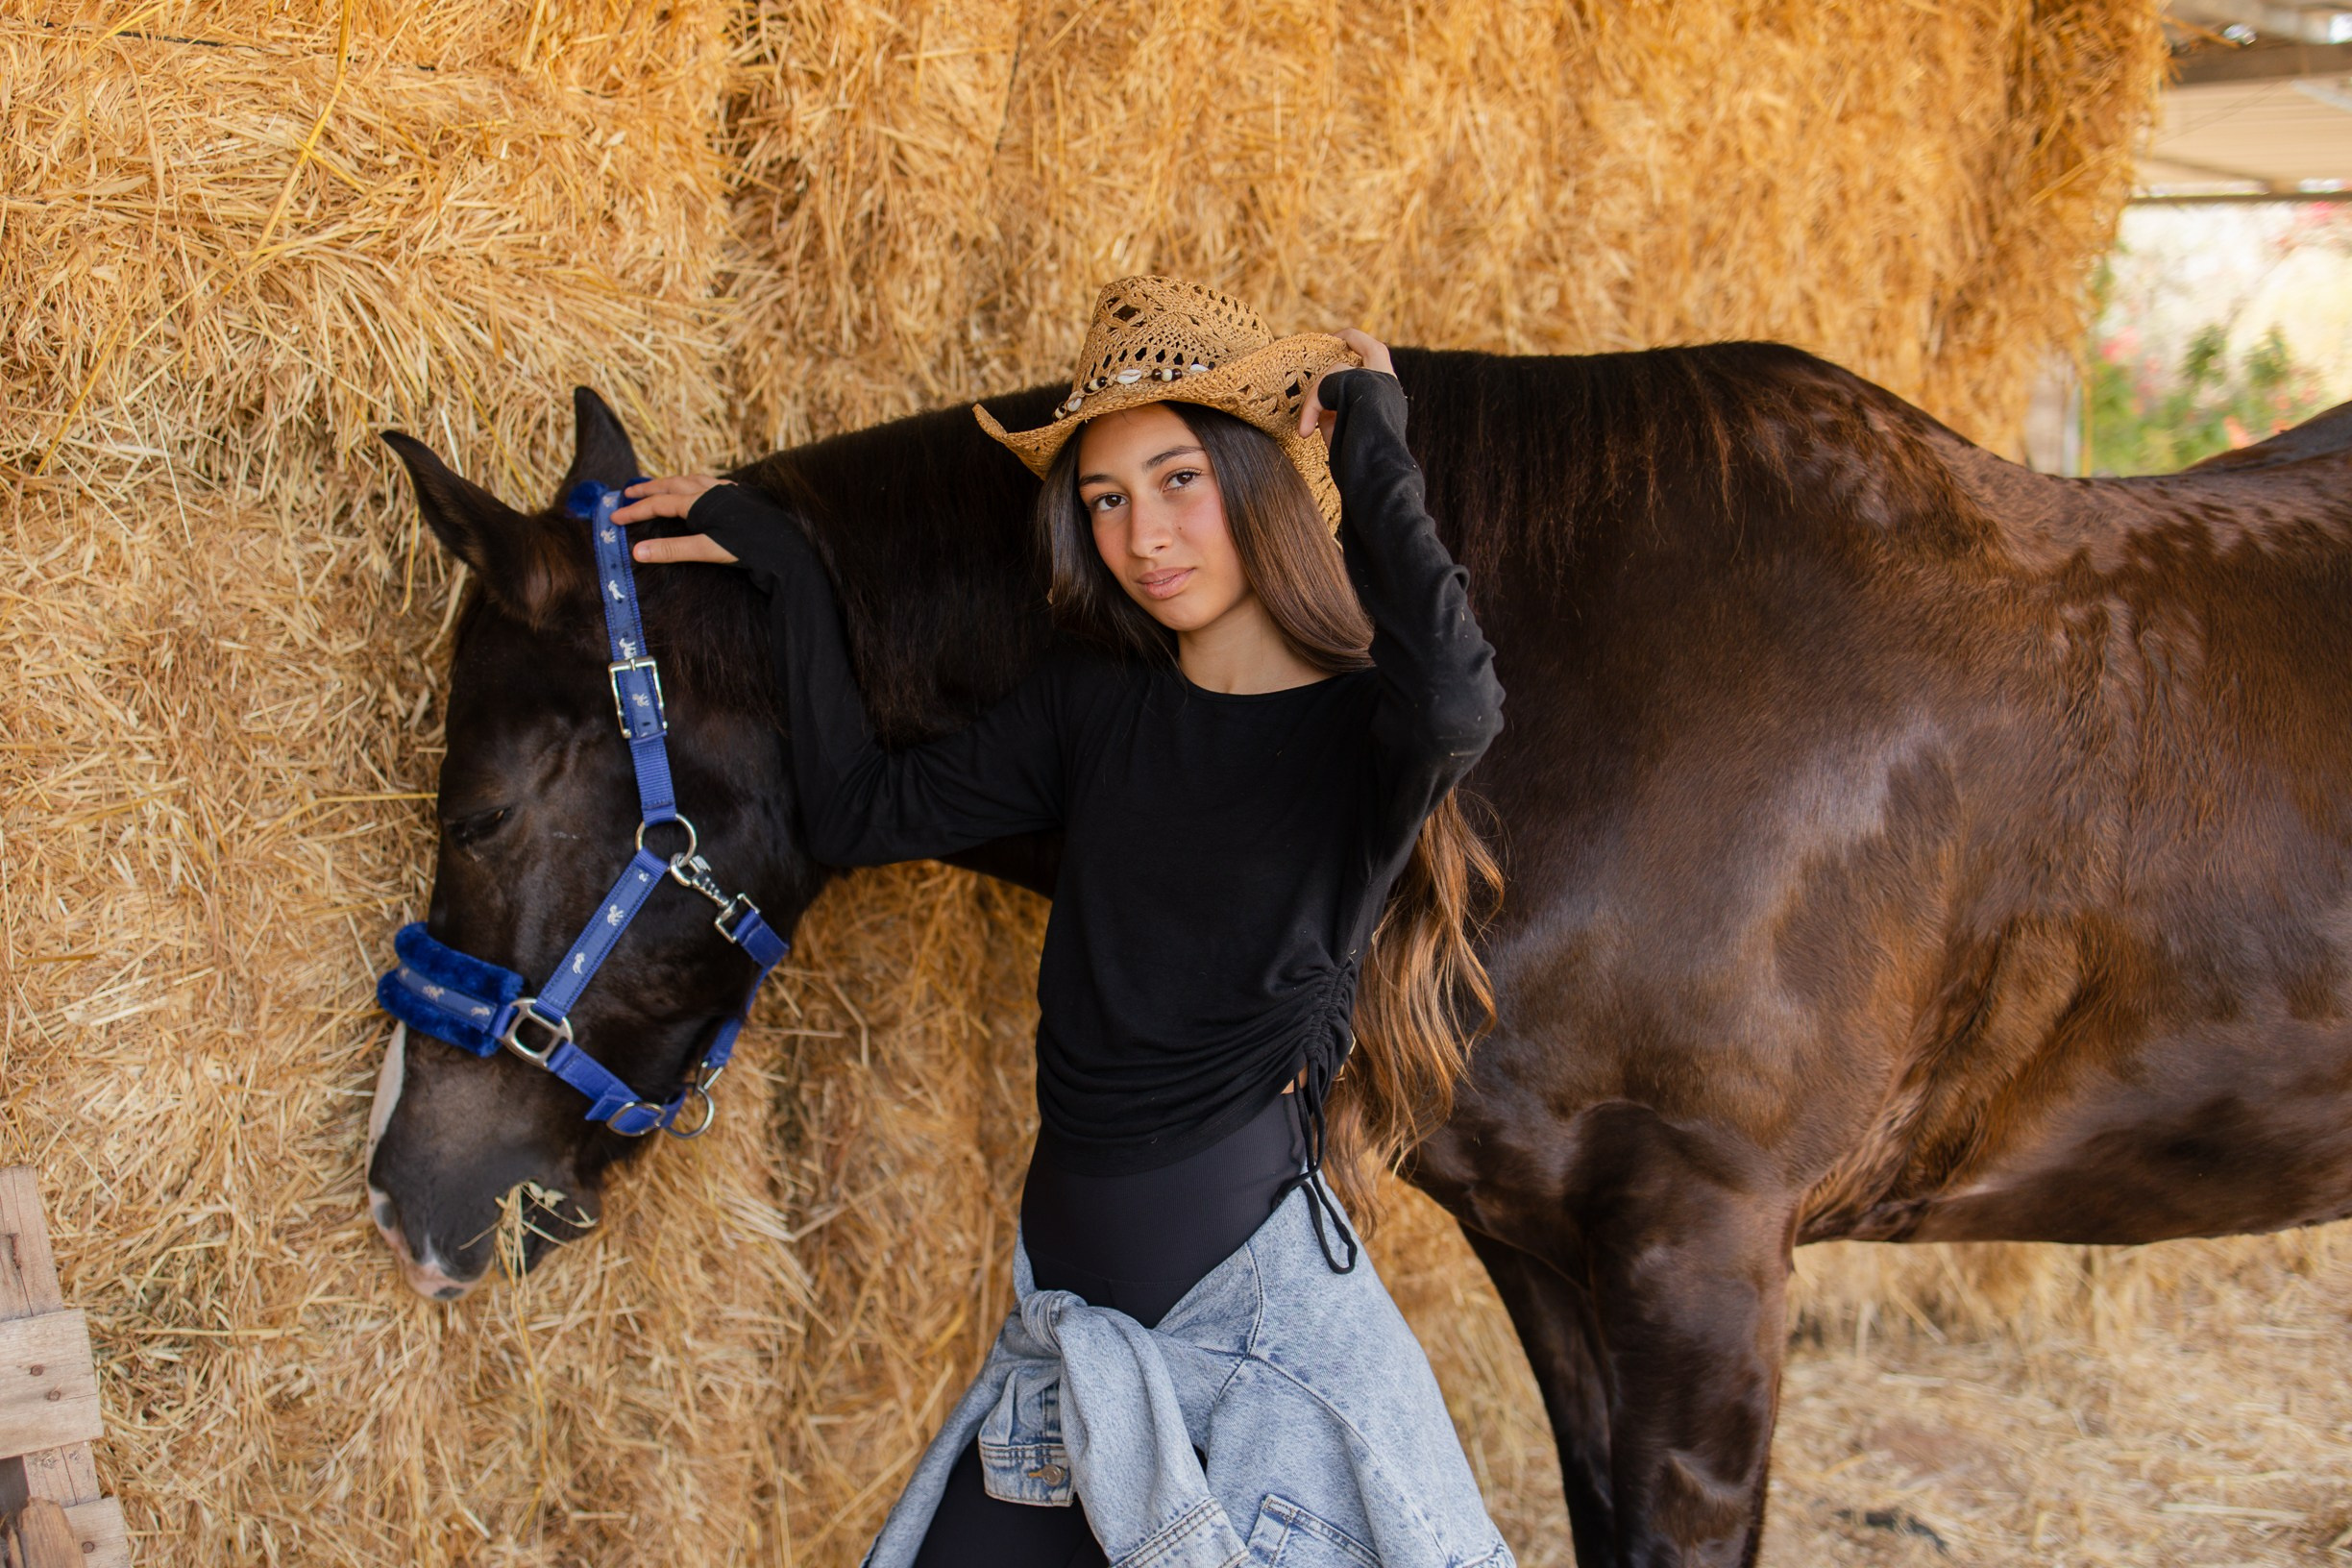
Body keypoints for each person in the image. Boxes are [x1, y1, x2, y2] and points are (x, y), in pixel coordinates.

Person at [617, 276, 1512, 1568]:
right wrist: (790, 568)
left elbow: (1460, 705)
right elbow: (858, 813)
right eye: (1105, 501)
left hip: (1242, 1338)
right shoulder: (1093, 709)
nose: (1141, 533)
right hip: (1071, 1331)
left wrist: (1371, 442)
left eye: (1178, 481)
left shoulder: (1359, 736)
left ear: (1260, 483)